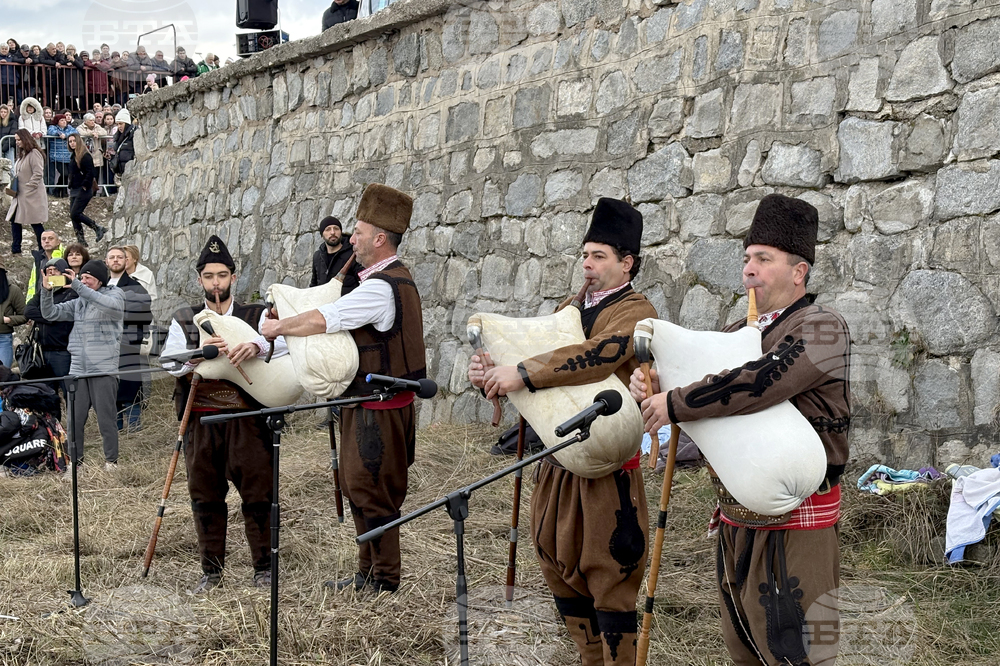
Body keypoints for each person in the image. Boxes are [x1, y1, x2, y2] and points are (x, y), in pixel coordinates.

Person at [630, 194, 852, 666]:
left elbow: (758, 383)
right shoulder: (735, 332)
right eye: (747, 258)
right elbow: (713, 413)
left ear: (799, 271)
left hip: (796, 528)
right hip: (735, 524)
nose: (749, 269)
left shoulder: (823, 328)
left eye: (764, 259)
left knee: (798, 655)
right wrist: (652, 385)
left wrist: (676, 400)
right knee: (744, 652)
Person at [468, 198, 657, 666]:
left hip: (606, 474)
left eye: (599, 257)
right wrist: (492, 375)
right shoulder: (566, 308)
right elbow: (539, 380)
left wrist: (523, 372)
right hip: (553, 466)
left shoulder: (636, 311)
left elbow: (599, 355)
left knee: (610, 576)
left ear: (626, 262)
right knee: (559, 569)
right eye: (585, 255)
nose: (587, 265)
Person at [261, 184, 424, 595]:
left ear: (380, 238)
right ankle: (367, 573)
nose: (352, 239)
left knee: (373, 494)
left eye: (358, 231)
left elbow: (326, 320)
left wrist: (279, 327)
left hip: (380, 408)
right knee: (358, 488)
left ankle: (384, 581)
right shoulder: (380, 282)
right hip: (367, 404)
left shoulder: (382, 287)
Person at [160, 235, 289, 593]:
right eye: (209, 276)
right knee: (204, 496)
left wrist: (256, 345)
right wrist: (199, 353)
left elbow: (285, 346)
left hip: (248, 420)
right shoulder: (185, 318)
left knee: (259, 495)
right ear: (199, 279)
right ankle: (211, 572)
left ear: (234, 277)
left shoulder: (255, 315)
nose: (216, 283)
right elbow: (169, 363)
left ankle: (264, 568)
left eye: (222, 275)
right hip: (201, 420)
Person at [40, 259, 125, 470]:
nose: (83, 281)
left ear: (100, 281)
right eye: (82, 277)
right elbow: (49, 313)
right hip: (77, 368)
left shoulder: (115, 295)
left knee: (106, 420)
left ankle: (111, 462)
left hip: (103, 368)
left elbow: (108, 305)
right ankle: (75, 464)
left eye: (88, 278)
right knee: (75, 421)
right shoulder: (79, 302)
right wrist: (46, 291)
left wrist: (77, 285)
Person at [105, 246, 151, 432]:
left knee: (130, 387)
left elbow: (144, 317)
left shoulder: (136, 287)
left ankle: (133, 427)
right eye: (112, 257)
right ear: (106, 262)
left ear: (126, 261)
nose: (116, 260)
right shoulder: (101, 286)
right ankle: (115, 428)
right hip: (105, 347)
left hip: (127, 345)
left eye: (119, 257)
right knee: (110, 387)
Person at [0, 366, 68, 477]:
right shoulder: (21, 390)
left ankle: (23, 469)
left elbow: (23, 426)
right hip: (49, 439)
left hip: (39, 443)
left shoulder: (16, 398)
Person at [24, 258, 77, 396]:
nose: (52, 273)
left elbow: (66, 317)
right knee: (46, 393)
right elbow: (28, 310)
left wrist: (48, 316)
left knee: (69, 393)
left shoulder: (71, 291)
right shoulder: (44, 291)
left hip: (62, 351)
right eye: (49, 271)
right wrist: (51, 318)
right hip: (42, 351)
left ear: (64, 271)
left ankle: (73, 418)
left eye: (56, 270)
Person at [9, 129, 47, 255]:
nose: (17, 142)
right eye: (16, 140)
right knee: (15, 220)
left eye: (19, 140)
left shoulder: (34, 153)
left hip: (32, 194)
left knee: (35, 223)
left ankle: (43, 249)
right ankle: (16, 248)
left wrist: (29, 187)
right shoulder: (23, 154)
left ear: (25, 139)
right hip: (20, 194)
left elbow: (38, 173)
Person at [66, 134, 107, 246]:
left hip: (83, 188)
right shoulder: (73, 156)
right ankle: (81, 241)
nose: (72, 143)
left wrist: (84, 186)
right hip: (74, 188)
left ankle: (97, 227)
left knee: (75, 213)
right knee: (73, 215)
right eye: (70, 141)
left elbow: (90, 172)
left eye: (74, 141)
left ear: (78, 141)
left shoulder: (85, 156)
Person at [310, 216, 359, 290]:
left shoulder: (353, 254)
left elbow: (363, 282)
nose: (332, 232)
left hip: (347, 300)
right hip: (325, 300)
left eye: (336, 228)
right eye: (328, 229)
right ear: (322, 235)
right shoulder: (317, 256)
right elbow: (314, 285)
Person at [0, 258, 26, 367]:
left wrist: (8, 320)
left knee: (4, 375)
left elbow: (25, 315)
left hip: (3, 339)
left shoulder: (13, 290)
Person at [27, 229, 63, 301]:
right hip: (38, 302)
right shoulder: (38, 259)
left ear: (58, 242)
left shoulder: (65, 256)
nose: (46, 241)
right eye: (43, 239)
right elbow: (33, 284)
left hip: (59, 302)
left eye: (51, 238)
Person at [76, 112, 108, 191]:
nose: (93, 122)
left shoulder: (97, 127)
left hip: (96, 153)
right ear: (85, 121)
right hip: (85, 154)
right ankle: (86, 191)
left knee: (96, 174)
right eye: (90, 120)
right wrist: (92, 133)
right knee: (86, 174)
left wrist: (97, 133)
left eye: (93, 120)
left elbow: (104, 132)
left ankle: (94, 192)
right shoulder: (80, 127)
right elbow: (80, 133)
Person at [46, 113, 77, 194]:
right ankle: (58, 189)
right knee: (65, 173)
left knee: (68, 174)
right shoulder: (53, 127)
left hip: (67, 155)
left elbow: (76, 133)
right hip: (57, 155)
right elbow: (51, 132)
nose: (64, 122)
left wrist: (66, 135)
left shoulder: (69, 128)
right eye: (61, 120)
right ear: (57, 121)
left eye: (65, 120)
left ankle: (63, 192)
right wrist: (59, 134)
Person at [108, 108, 135, 176]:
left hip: (131, 171)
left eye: (121, 124)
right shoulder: (118, 136)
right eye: (117, 124)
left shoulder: (134, 134)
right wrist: (110, 157)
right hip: (121, 171)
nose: (119, 126)